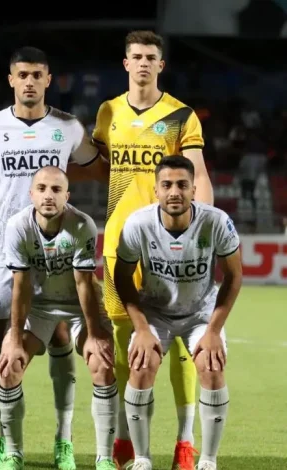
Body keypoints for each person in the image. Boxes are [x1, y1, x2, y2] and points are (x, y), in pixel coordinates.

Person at [0, 46, 105, 470]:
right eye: (22, 74)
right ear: (11, 79)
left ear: (48, 80)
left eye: (37, 75)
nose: (29, 81)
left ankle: (64, 440)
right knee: (5, 346)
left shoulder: (67, 127)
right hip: (5, 251)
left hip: (55, 251)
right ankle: (6, 442)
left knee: (59, 337)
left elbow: (97, 166)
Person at [91, 30, 214, 470]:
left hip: (169, 249)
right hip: (119, 243)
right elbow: (99, 166)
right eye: (136, 56)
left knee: (181, 339)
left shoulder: (180, 115)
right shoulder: (108, 113)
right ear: (126, 63)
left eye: (151, 57)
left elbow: (198, 174)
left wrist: (201, 232)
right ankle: (125, 438)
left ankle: (185, 441)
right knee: (127, 341)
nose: (143, 63)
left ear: (161, 65)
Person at [113, 155, 241, 470]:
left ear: (194, 189)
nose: (174, 192)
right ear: (156, 190)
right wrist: (142, 329)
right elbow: (122, 277)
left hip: (200, 314)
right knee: (142, 366)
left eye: (182, 185)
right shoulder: (138, 223)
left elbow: (234, 276)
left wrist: (213, 330)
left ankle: (208, 460)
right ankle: (142, 459)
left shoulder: (216, 222)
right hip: (155, 311)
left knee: (211, 367)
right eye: (167, 184)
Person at [0, 166, 118, 470]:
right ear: (31, 194)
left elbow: (83, 284)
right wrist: (13, 338)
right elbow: (21, 286)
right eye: (41, 189)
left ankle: (104, 458)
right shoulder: (17, 226)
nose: (48, 195)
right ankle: (13, 453)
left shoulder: (82, 224)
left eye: (56, 189)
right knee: (9, 367)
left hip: (78, 307)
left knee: (102, 364)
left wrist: (95, 334)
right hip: (39, 307)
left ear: (67, 195)